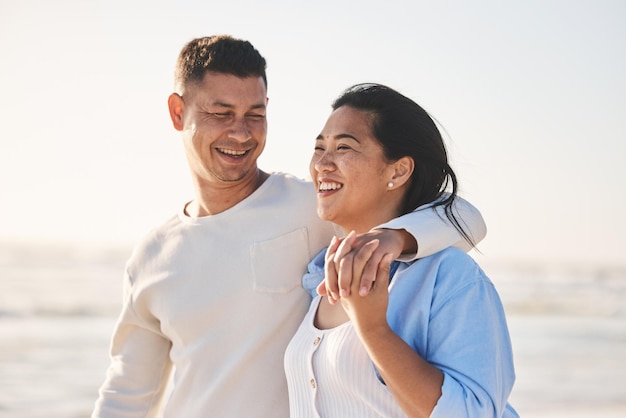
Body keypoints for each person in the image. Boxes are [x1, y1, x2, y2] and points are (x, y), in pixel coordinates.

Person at [92, 36, 487, 418]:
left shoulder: (314, 207)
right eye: (221, 113)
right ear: (178, 113)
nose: (241, 132)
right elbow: (127, 394)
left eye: (255, 114)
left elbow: (466, 220)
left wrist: (394, 236)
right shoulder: (151, 255)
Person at [284, 83, 518, 417]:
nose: (322, 163)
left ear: (398, 170)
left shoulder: (449, 277)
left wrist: (374, 329)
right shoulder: (320, 276)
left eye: (343, 148)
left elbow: (473, 412)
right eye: (319, 148)